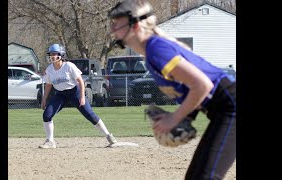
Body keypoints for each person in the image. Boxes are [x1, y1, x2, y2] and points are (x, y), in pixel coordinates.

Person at [108, 1, 236, 179]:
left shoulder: (156, 49)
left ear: (135, 26)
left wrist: (174, 118)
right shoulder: (152, 52)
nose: (113, 30)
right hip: (224, 108)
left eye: (117, 25)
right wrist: (184, 117)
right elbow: (194, 90)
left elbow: (203, 85)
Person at [39, 44, 117, 149]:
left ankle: (109, 136)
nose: (52, 56)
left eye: (54, 54)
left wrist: (82, 96)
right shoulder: (49, 69)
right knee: (47, 115)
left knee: (89, 114)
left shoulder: (68, 66)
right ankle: (50, 141)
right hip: (60, 94)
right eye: (50, 54)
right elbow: (48, 84)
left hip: (74, 92)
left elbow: (80, 81)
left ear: (61, 55)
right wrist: (44, 98)